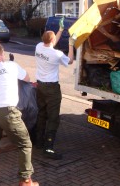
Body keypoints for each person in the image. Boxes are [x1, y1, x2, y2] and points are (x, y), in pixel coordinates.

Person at [0, 44, 39, 186]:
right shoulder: (11, 66)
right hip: (9, 112)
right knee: (24, 144)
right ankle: (26, 181)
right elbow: (27, 78)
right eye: (3, 54)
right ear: (0, 55)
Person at [34, 17, 75, 159]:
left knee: (42, 113)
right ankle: (49, 148)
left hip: (40, 87)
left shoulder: (39, 47)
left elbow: (51, 43)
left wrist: (60, 30)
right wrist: (71, 44)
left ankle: (38, 142)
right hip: (52, 89)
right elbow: (70, 60)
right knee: (53, 118)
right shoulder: (56, 54)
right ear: (51, 41)